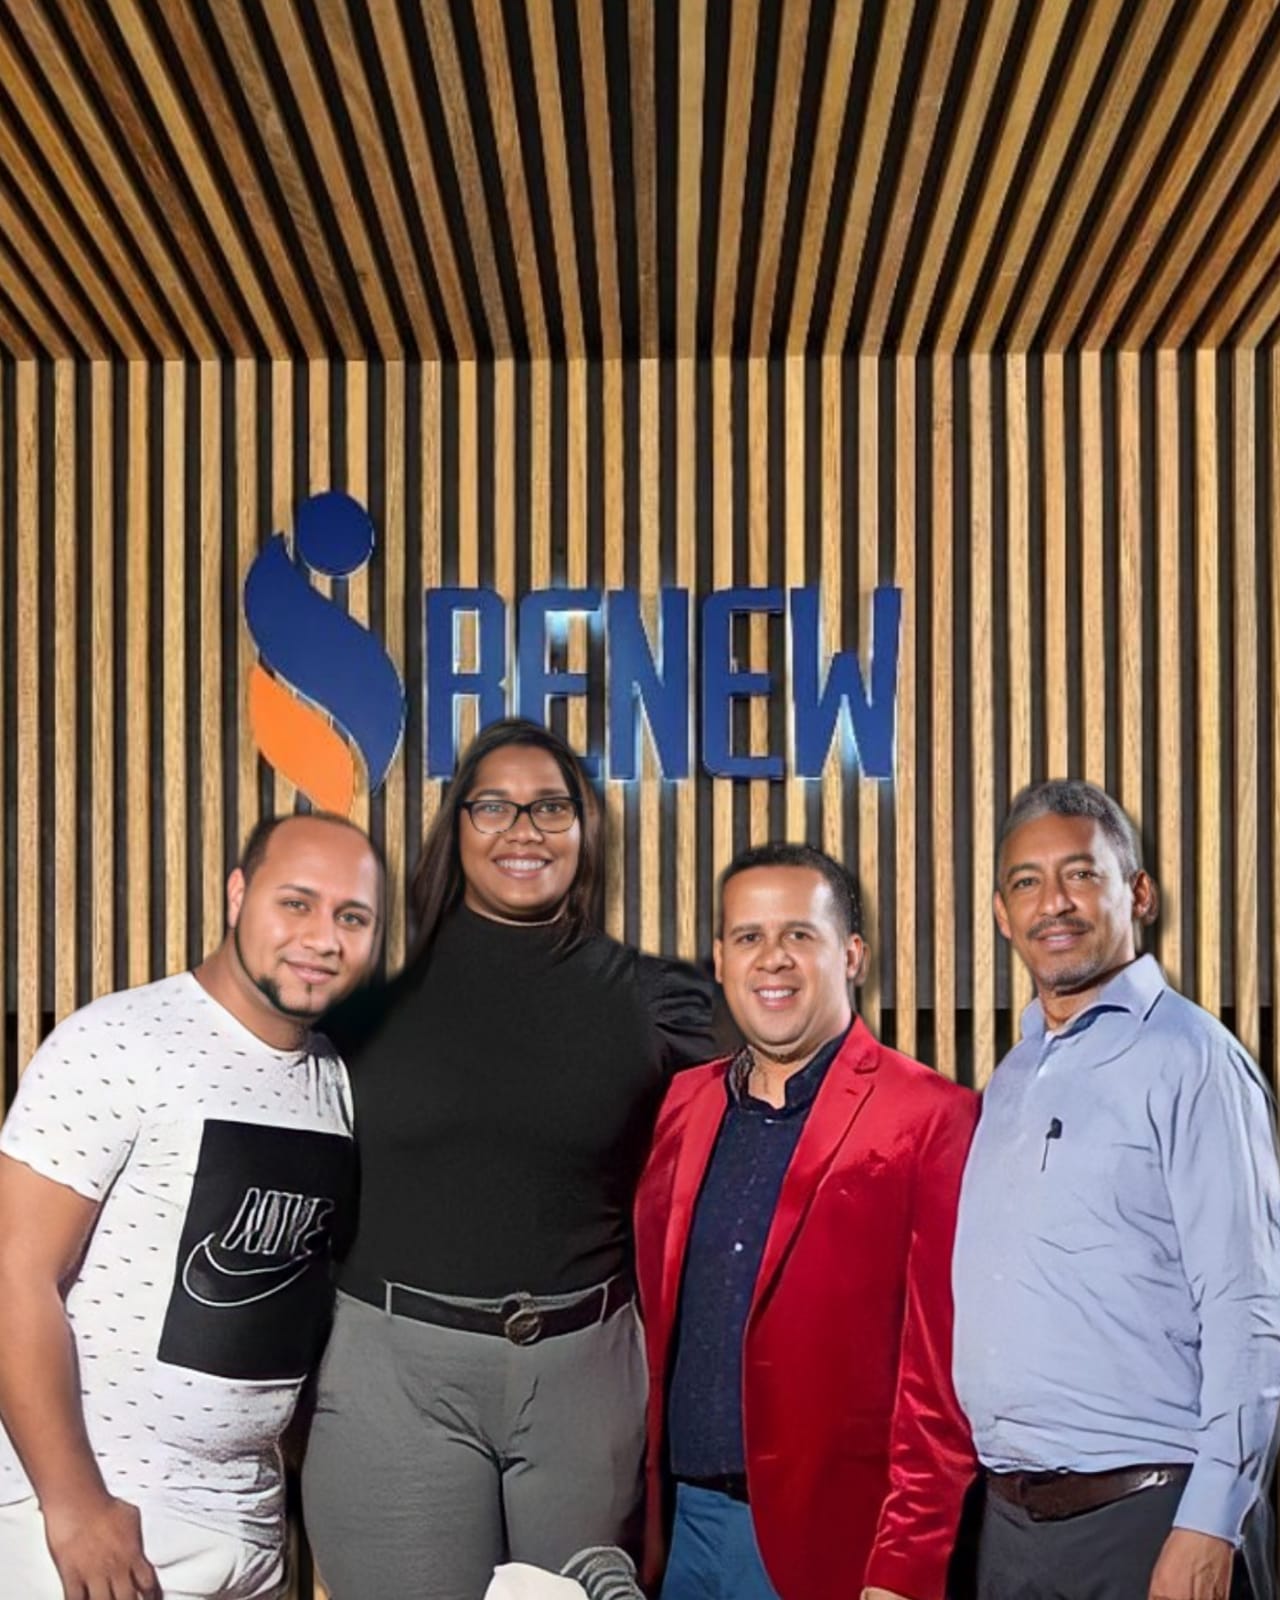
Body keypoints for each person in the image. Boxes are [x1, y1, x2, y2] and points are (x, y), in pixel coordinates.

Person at [301, 717, 718, 1600]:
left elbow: (788, 1094)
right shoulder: (366, 993)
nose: (523, 830)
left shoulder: (653, 1000)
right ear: (456, 826)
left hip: (586, 1380)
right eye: (494, 806)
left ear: (585, 829)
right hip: (397, 1383)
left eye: (550, 808)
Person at [0, 812, 383, 1600]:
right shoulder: (118, 1041)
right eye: (297, 903)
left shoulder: (335, 1081)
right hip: (100, 1527)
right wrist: (74, 1505)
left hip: (251, 1533)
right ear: (238, 895)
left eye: (352, 917)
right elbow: (12, 1274)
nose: (322, 938)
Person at [952, 779, 1280, 1600]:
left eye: (1081, 874)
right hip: (1012, 1527)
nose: (1053, 903)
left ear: (1139, 894)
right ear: (1001, 915)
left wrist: (1211, 1522)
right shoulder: (1013, 1076)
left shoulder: (1193, 1061)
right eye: (1027, 882)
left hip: (1151, 1517)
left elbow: (1248, 1307)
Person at [633, 842, 979, 1600]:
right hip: (679, 1535)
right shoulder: (683, 1104)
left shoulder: (931, 1117)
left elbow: (940, 1382)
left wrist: (903, 1569)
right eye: (749, 937)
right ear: (720, 960)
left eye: (799, 933)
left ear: (851, 955)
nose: (773, 958)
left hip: (833, 1547)